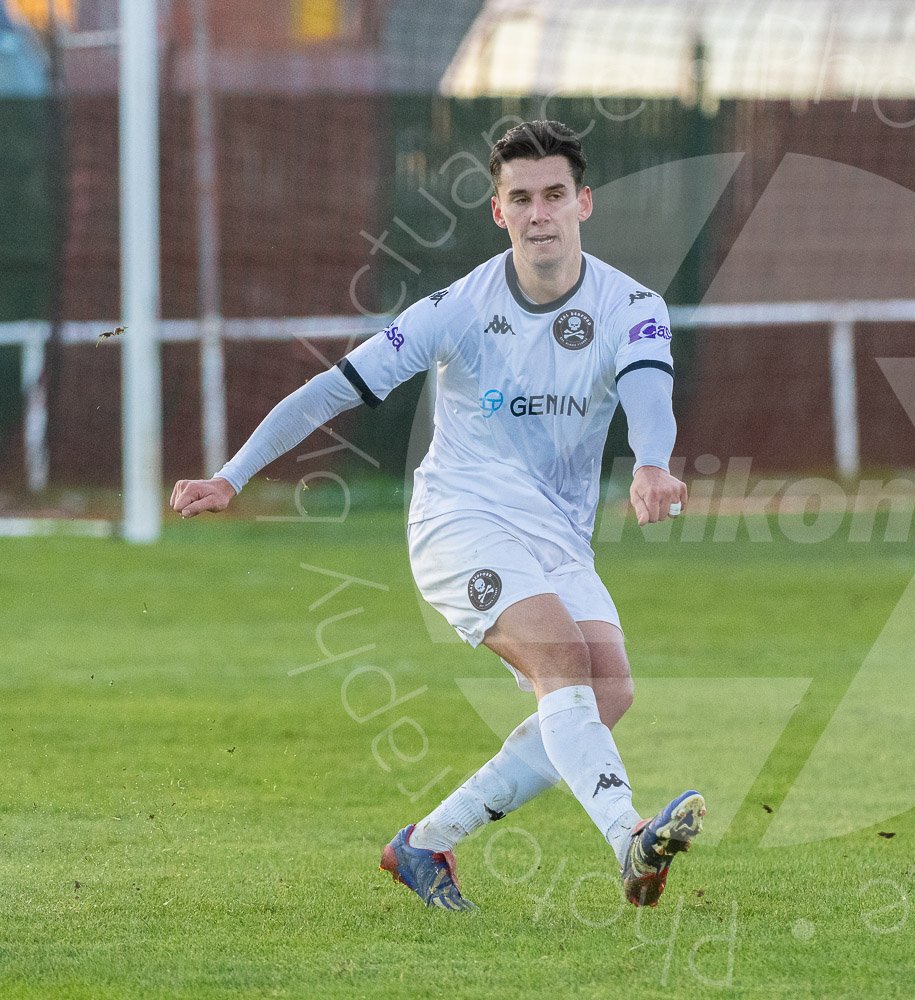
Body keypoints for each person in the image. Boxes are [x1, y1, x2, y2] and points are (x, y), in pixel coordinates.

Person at [169, 120, 704, 911]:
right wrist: (231, 475)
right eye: (521, 198)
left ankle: (424, 844)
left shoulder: (631, 304)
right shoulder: (457, 308)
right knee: (562, 659)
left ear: (584, 203)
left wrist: (653, 463)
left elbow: (649, 392)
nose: (539, 214)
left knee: (610, 690)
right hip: (460, 519)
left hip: (556, 533)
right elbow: (333, 388)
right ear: (499, 211)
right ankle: (629, 837)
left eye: (554, 195)